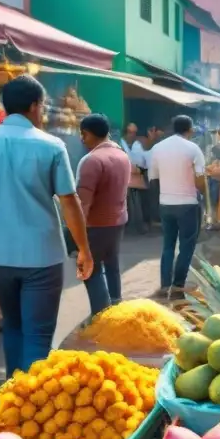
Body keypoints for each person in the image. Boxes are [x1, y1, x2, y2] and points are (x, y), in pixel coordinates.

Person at [0, 75, 93, 377]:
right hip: (42, 255)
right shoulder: (51, 146)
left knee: (13, 326)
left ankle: (12, 393)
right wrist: (83, 249)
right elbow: (69, 201)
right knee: (38, 334)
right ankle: (32, 402)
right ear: (35, 106)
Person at [77, 114, 132, 317]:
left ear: (90, 134)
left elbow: (83, 203)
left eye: (83, 134)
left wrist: (77, 233)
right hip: (118, 221)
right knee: (112, 264)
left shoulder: (92, 160)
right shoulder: (122, 155)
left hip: (96, 224)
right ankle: (116, 305)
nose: (82, 139)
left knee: (90, 269)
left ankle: (102, 316)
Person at [149, 115, 206, 299]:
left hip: (165, 204)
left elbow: (153, 179)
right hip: (188, 204)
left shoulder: (157, 148)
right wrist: (203, 194)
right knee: (187, 245)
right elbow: (200, 180)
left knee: (168, 245)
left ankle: (165, 285)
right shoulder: (193, 148)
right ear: (190, 130)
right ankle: (178, 285)